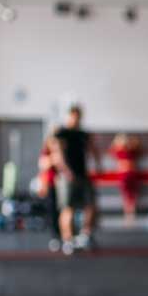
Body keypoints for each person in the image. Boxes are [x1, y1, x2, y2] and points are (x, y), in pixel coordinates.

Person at [49, 104, 96, 253]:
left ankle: (84, 235)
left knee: (90, 205)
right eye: (73, 116)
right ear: (69, 116)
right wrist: (66, 171)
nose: (76, 119)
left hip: (83, 175)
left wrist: (97, 165)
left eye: (78, 116)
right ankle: (67, 240)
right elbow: (57, 154)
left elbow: (92, 149)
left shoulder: (82, 134)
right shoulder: (62, 133)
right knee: (67, 208)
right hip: (66, 177)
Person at [110, 133, 142, 222]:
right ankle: (128, 213)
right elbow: (113, 149)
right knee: (126, 194)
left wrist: (132, 141)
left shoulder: (131, 150)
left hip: (131, 174)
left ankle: (131, 212)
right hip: (124, 175)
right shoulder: (119, 151)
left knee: (132, 194)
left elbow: (138, 146)